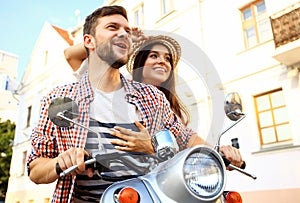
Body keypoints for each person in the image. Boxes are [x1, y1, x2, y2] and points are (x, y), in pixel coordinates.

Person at [27, 5, 243, 203]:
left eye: (127, 31)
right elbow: (35, 169)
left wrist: (220, 154)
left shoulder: (151, 97)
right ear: (89, 41)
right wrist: (59, 162)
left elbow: (187, 139)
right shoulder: (59, 99)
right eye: (113, 27)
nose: (123, 34)